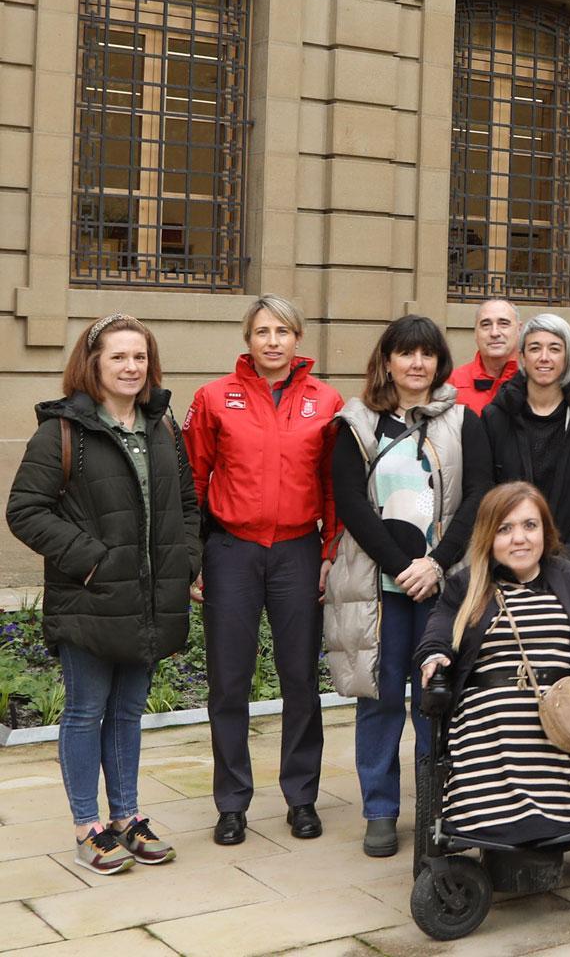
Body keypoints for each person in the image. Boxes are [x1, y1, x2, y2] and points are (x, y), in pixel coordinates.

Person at [8, 314, 198, 876]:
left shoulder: (163, 428)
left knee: (127, 714)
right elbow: (25, 511)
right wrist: (92, 561)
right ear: (92, 364)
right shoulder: (63, 431)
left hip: (146, 601)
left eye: (139, 357)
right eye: (118, 357)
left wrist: (185, 561)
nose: (131, 367)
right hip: (88, 600)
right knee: (86, 712)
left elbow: (187, 505)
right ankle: (87, 826)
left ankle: (126, 818)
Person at [182, 295, 342, 847]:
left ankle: (302, 799)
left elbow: (334, 486)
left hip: (298, 550)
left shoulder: (326, 401)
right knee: (229, 681)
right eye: (261, 331)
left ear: (298, 339)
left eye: (282, 331)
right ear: (247, 340)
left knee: (300, 678)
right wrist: (193, 557)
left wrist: (330, 553)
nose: (272, 341)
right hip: (231, 551)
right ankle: (231, 804)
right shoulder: (212, 398)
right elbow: (193, 482)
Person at [327, 314, 487, 858]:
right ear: (388, 360)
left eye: (427, 355)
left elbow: (479, 497)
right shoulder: (355, 423)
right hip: (379, 591)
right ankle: (380, 809)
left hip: (442, 590)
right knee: (380, 699)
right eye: (406, 354)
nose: (416, 364)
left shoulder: (464, 421)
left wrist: (436, 564)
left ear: (440, 362)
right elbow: (351, 503)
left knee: (436, 699)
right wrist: (402, 567)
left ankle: (436, 806)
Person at [416, 482, 570, 842]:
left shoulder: (568, 577)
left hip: (557, 713)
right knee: (497, 724)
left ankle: (556, 819)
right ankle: (492, 820)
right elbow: (440, 624)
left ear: (545, 531)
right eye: (505, 529)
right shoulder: (467, 584)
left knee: (556, 738)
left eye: (530, 526)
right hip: (488, 715)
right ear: (488, 536)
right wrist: (434, 654)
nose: (520, 539)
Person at [469, 314, 570, 592]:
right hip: (508, 569)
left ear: (567, 358)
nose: (544, 357)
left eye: (554, 348)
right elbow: (484, 493)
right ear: (522, 357)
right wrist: (514, 558)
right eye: (535, 348)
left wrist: (567, 566)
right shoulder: (496, 417)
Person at [448, 298, 521, 413]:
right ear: (475, 333)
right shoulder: (452, 384)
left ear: (519, 329)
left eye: (503, 324)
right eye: (486, 325)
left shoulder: (533, 380)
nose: (494, 333)